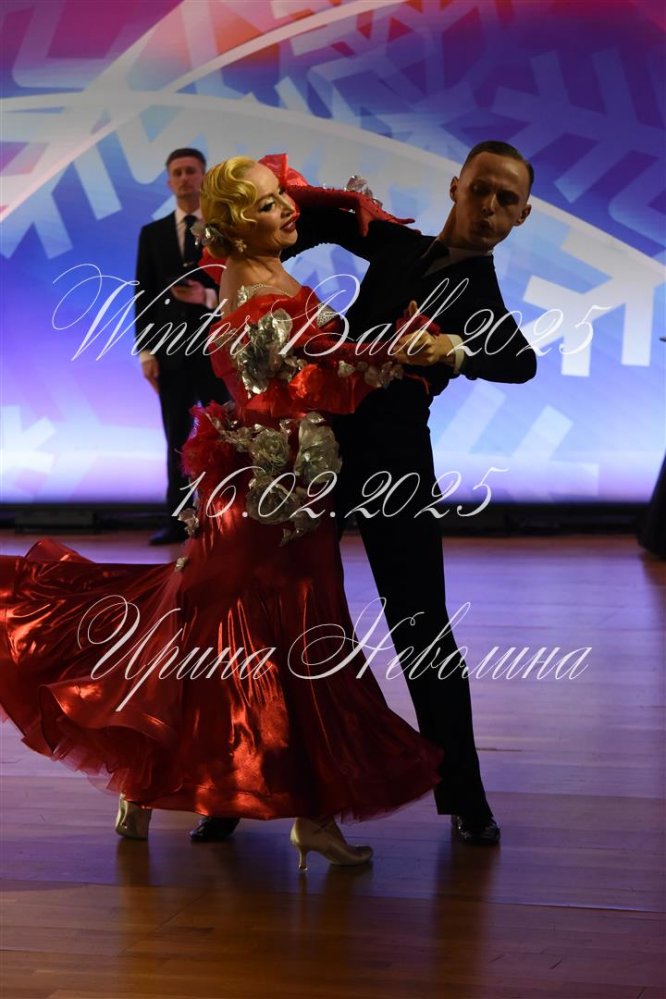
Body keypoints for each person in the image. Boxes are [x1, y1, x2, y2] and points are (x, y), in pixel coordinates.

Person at [0, 156, 444, 869]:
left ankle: (298, 811)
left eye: (283, 200)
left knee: (293, 636)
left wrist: (345, 207)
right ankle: (159, 777)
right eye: (269, 206)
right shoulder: (251, 285)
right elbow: (322, 371)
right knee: (227, 635)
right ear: (239, 226)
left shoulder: (262, 269)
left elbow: (328, 368)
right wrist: (403, 349)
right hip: (263, 493)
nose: (288, 210)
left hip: (297, 483)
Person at [194, 141, 536, 849]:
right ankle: (231, 790)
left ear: (521, 217)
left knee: (422, 629)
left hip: (395, 471)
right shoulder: (396, 244)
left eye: (507, 201)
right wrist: (267, 205)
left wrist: (456, 350)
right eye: (481, 190)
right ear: (456, 187)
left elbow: (520, 361)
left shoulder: (480, 295)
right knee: (262, 616)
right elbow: (302, 213)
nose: (490, 208)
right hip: (313, 455)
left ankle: (466, 798)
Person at [135, 147, 231, 545]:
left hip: (216, 351)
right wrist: (146, 352)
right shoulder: (153, 233)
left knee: (224, 434)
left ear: (204, 177)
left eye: (191, 171)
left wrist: (206, 298)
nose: (184, 178)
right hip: (171, 353)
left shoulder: (224, 229)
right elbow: (143, 295)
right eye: (177, 172)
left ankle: (226, 518)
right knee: (175, 437)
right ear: (168, 180)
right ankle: (177, 521)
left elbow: (242, 286)